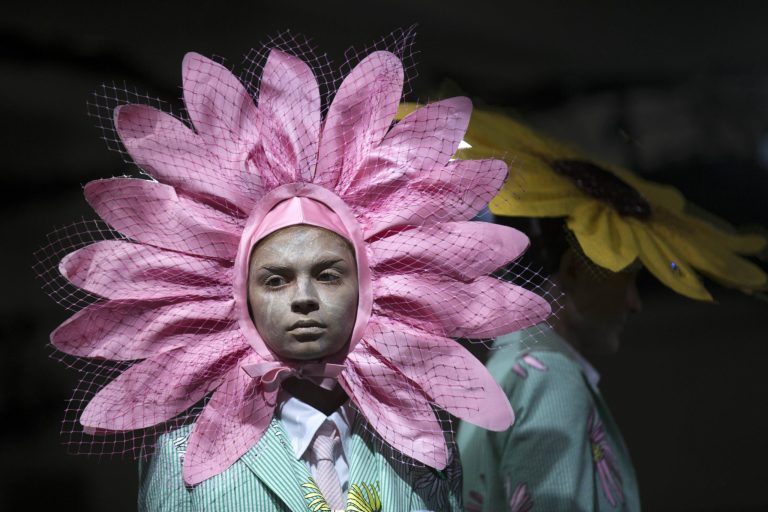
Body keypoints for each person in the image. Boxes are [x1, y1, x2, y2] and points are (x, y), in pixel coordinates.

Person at [43, 40, 552, 511]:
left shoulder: (416, 450)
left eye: (329, 275)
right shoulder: (184, 461)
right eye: (275, 280)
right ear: (235, 294)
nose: (304, 298)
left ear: (374, 288)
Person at [454, 109, 767, 511]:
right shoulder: (551, 377)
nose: (634, 303)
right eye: (626, 276)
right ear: (572, 271)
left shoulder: (502, 365)